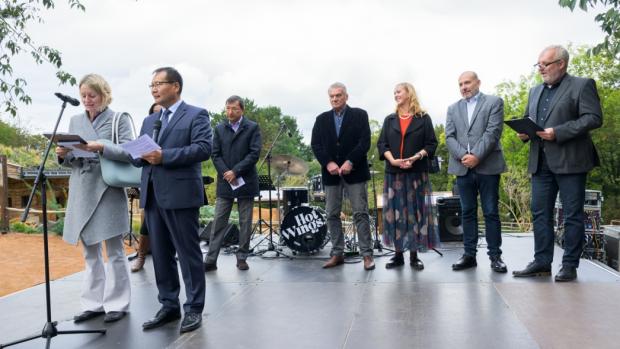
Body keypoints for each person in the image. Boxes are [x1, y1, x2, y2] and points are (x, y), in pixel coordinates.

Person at [513, 45, 603, 282]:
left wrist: (559, 132)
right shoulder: (534, 91)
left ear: (561, 63)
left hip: (571, 161)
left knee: (572, 215)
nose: (540, 69)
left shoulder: (582, 85)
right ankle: (542, 262)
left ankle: (569, 266)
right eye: (538, 64)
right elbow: (530, 120)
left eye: (545, 64)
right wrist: (524, 132)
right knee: (540, 213)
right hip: (540, 162)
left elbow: (594, 118)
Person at [136, 67, 212, 333]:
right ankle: (168, 305)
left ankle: (193, 309)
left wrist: (164, 156)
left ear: (176, 86)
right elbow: (142, 152)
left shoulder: (196, 114)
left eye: (159, 83)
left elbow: (203, 149)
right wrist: (134, 152)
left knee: (187, 253)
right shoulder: (149, 121)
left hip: (180, 195)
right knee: (160, 254)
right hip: (153, 194)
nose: (154, 89)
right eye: (152, 85)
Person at [56, 74, 132, 324]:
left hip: (107, 189)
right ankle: (93, 304)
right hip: (82, 189)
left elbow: (131, 152)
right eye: (84, 96)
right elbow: (71, 159)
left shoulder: (118, 119)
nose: (87, 100)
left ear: (104, 95)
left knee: (115, 250)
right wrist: (62, 154)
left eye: (92, 95)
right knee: (90, 251)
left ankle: (118, 303)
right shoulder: (75, 119)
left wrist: (101, 147)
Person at [445, 72, 508, 273]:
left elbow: (493, 132)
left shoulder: (494, 102)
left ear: (478, 83)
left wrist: (477, 156)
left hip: (488, 165)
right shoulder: (452, 108)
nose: (464, 87)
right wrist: (465, 155)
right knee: (467, 212)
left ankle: (495, 256)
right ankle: (469, 255)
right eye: (460, 83)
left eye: (467, 82)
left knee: (490, 211)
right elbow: (449, 137)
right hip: (462, 167)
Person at [311, 82, 375, 270]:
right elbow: (316, 145)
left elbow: (364, 142)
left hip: (355, 172)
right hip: (331, 174)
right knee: (331, 214)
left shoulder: (360, 115)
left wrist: (350, 161)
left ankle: (367, 255)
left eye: (338, 95)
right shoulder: (321, 119)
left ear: (346, 96)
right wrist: (328, 162)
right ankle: (337, 253)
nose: (335, 99)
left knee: (360, 213)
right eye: (331, 96)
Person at [376, 82, 438, 269]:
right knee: (395, 215)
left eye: (399, 91)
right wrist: (393, 160)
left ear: (409, 93)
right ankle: (398, 256)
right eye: (394, 92)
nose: (396, 95)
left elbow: (431, 144)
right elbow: (382, 145)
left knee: (414, 215)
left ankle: (413, 256)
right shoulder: (389, 119)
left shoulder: (423, 118)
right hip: (393, 174)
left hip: (416, 174)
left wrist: (416, 157)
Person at [204, 96, 261, 272]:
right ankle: (211, 259)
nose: (230, 112)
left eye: (234, 109)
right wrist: (226, 173)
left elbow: (254, 153)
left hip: (245, 180)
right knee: (219, 221)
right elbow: (215, 154)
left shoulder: (252, 127)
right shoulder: (220, 128)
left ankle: (242, 257)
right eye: (227, 108)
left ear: (241, 110)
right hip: (225, 181)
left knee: (245, 222)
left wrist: (235, 171)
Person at [131, 103, 162, 273]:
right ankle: (141, 256)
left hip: (170, 184)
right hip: (150, 184)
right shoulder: (147, 125)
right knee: (145, 224)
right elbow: (136, 160)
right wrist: (135, 153)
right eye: (155, 113)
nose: (158, 115)